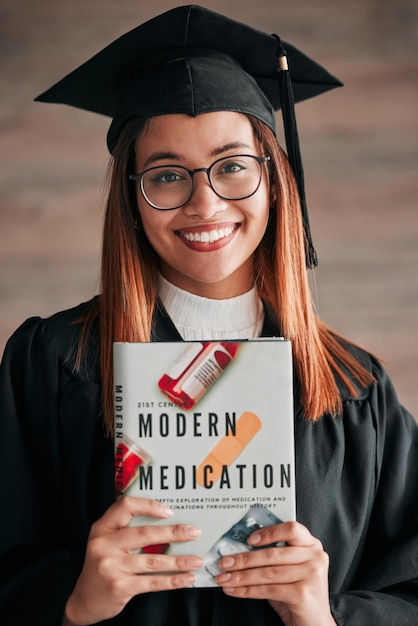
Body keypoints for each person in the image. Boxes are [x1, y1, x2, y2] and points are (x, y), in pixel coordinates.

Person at [0, 5, 417, 626]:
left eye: (232, 167)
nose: (204, 202)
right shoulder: (53, 363)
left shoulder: (355, 390)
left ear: (275, 181)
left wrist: (323, 616)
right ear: (131, 198)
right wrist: (72, 600)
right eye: (167, 176)